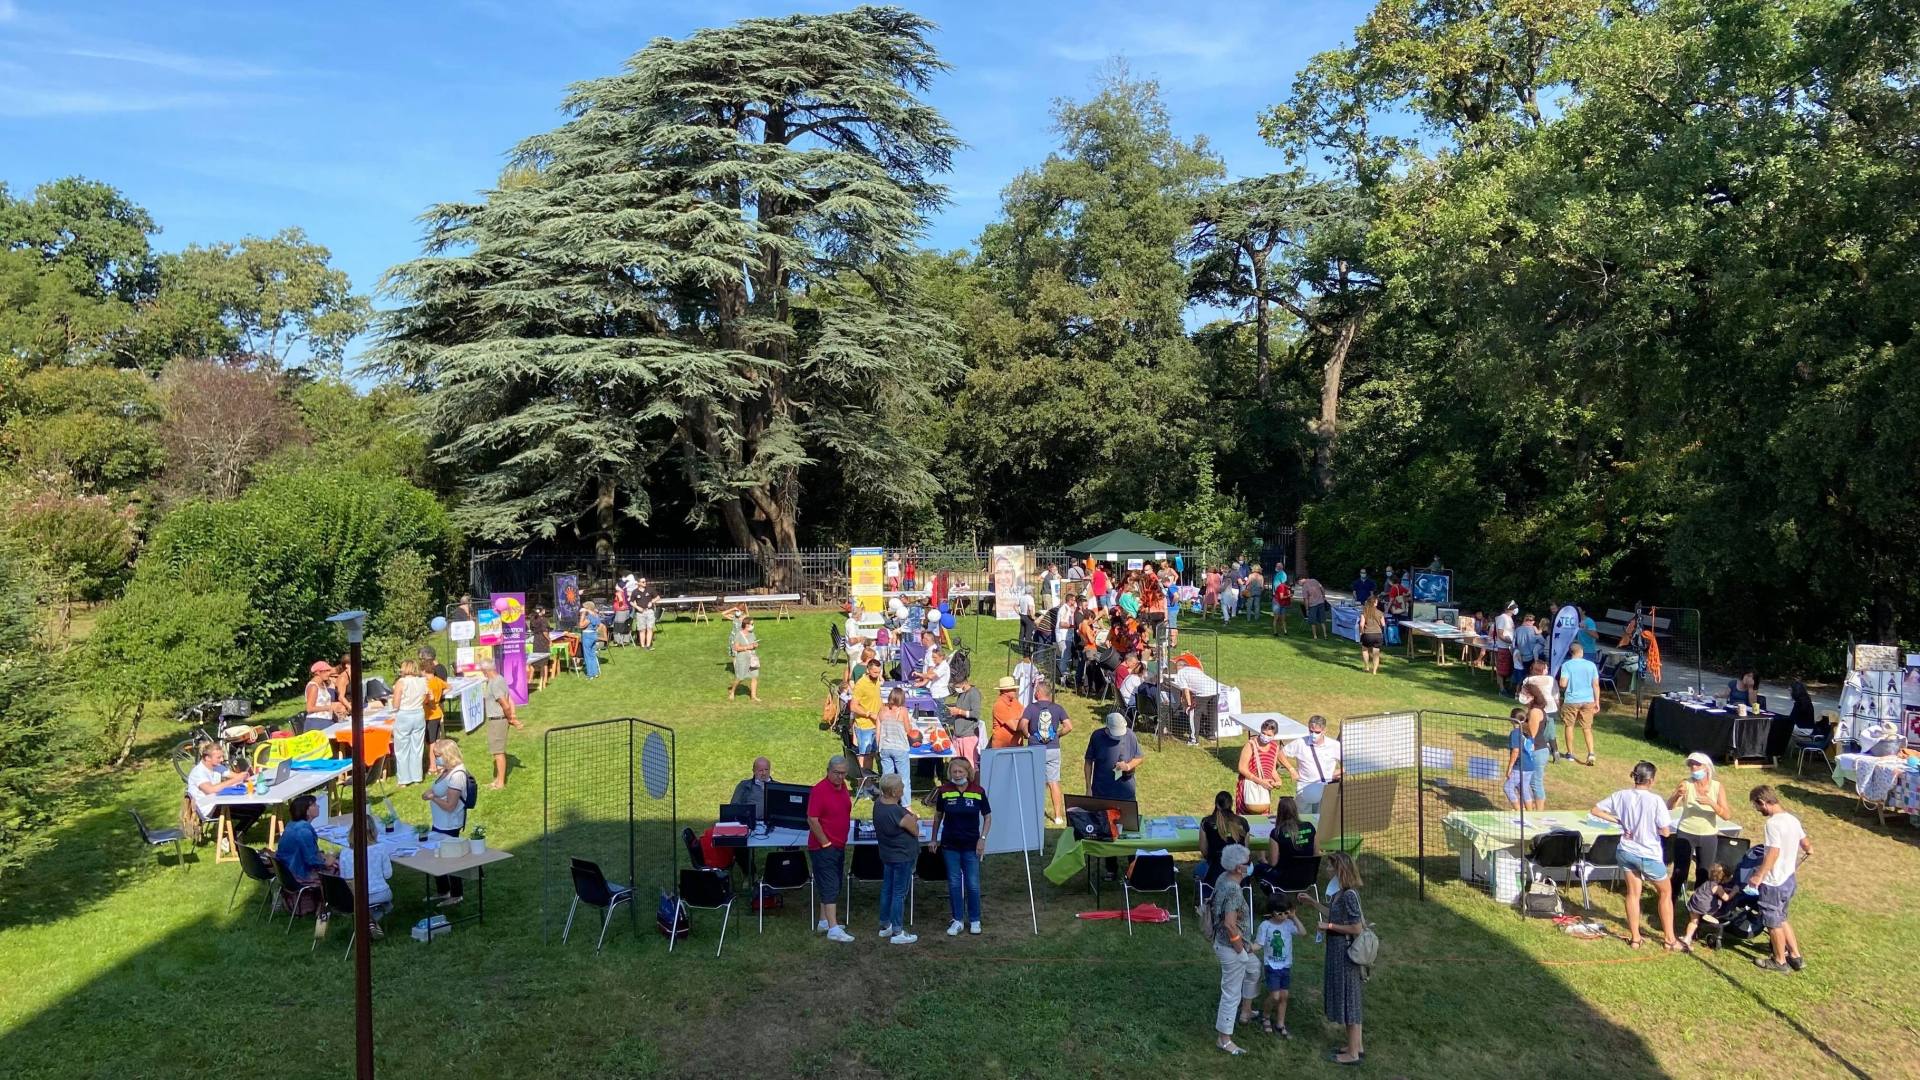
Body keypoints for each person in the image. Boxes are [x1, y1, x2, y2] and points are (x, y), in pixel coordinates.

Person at [1591, 761, 1678, 950]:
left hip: (1626, 851)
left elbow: (1595, 810)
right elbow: (1665, 831)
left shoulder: (1621, 795)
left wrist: (1618, 821)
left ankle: (1635, 938)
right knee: (1665, 893)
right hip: (1648, 854)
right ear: (1651, 780)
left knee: (1633, 894)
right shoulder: (1655, 801)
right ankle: (1670, 940)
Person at [1748, 784, 1811, 973]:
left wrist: (1759, 875)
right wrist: (1808, 850)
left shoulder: (1772, 824)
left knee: (1772, 922)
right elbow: (1806, 844)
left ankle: (1780, 961)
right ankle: (1796, 957)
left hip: (1774, 882)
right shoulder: (1792, 819)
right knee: (1782, 918)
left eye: (1756, 806)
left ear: (1763, 802)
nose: (1757, 810)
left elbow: (1773, 853)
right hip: (1789, 879)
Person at [927, 757, 991, 936]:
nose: (957, 775)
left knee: (972, 884)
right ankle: (957, 920)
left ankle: (975, 919)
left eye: (960, 771)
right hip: (950, 844)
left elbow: (987, 817)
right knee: (954, 883)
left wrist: (983, 838)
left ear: (967, 772)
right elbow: (938, 816)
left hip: (971, 844)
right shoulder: (944, 791)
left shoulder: (978, 791)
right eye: (954, 772)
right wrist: (933, 838)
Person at [1208, 843, 1260, 1055]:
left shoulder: (1223, 877)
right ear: (1239, 868)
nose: (1251, 865)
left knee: (1254, 969)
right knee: (1231, 993)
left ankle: (1246, 1010)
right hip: (1231, 948)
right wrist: (1241, 951)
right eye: (1249, 862)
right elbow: (1230, 924)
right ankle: (1224, 1039)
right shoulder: (1234, 890)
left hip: (1233, 944)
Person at [1319, 849, 1368, 1064]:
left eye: (1330, 866)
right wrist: (1313, 904)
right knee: (1350, 998)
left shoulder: (1349, 895)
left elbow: (1356, 928)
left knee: (1349, 1000)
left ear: (1340, 869)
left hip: (1344, 952)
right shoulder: (1340, 893)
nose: (1327, 869)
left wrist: (1328, 926)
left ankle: (1352, 1055)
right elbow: (1335, 915)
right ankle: (1356, 1045)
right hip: (1337, 950)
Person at [1667, 752, 1734, 891]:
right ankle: (1671, 901)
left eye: (1697, 764)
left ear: (1707, 767)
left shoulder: (1717, 787)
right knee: (1680, 872)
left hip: (1708, 835)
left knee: (1704, 873)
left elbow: (1727, 815)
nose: (1694, 767)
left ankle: (1699, 902)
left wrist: (1711, 803)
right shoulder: (1686, 784)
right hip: (1686, 832)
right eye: (1691, 764)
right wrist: (1677, 795)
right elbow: (1669, 807)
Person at [807, 756, 856, 942]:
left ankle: (824, 921)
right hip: (824, 847)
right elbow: (812, 819)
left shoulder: (842, 787)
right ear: (828, 771)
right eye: (836, 773)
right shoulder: (819, 790)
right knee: (830, 884)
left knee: (833, 881)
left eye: (843, 773)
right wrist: (825, 843)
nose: (840, 777)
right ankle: (833, 928)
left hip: (838, 844)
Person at [871, 773, 920, 945]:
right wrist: (914, 819)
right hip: (902, 856)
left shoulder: (878, 804)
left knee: (888, 889)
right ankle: (898, 931)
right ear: (893, 792)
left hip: (888, 854)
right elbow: (915, 831)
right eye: (901, 786)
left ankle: (886, 925)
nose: (903, 788)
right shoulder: (896, 811)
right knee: (899, 893)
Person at [1254, 891, 1311, 1038]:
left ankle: (1280, 1023)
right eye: (1280, 913)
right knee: (1275, 996)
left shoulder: (1288, 924)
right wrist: (1249, 948)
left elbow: (1303, 932)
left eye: (1287, 913)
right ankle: (1265, 1016)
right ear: (1272, 912)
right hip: (1271, 966)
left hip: (1285, 966)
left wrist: (1294, 917)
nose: (1284, 916)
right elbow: (1259, 944)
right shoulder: (1265, 926)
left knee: (1284, 996)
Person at [186, 744, 259, 849]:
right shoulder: (198, 773)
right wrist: (236, 780)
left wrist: (244, 776)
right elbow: (210, 790)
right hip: (208, 808)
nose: (222, 759)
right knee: (254, 811)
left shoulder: (217, 766)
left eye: (222, 756)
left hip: (220, 801)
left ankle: (235, 835)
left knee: (259, 807)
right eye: (218, 757)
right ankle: (230, 840)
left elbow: (234, 776)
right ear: (207, 758)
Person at [423, 739, 469, 903]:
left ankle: (456, 894)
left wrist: (433, 798)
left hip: (449, 824)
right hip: (439, 823)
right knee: (437, 856)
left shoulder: (457, 776)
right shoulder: (446, 771)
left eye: (438, 755)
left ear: (448, 755)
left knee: (450, 858)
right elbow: (436, 788)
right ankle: (443, 890)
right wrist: (428, 793)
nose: (436, 759)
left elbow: (450, 805)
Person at [1021, 683, 1073, 825]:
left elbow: (1023, 724)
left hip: (1035, 748)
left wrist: (1027, 735)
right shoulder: (1058, 708)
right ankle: (1058, 816)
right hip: (1053, 749)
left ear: (1038, 693)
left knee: (1034, 781)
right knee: (1054, 781)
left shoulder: (1031, 708)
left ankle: (1033, 812)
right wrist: (1057, 735)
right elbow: (1069, 726)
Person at [275, 795, 333, 915]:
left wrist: (322, 856)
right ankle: (328, 906)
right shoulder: (304, 832)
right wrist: (327, 861)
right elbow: (311, 860)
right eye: (314, 805)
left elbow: (307, 852)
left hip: (285, 872)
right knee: (337, 869)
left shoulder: (291, 825)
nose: (318, 806)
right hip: (297, 874)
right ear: (307, 811)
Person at [336, 824, 395, 937]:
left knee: (374, 903)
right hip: (379, 893)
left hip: (354, 895)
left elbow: (344, 877)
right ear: (374, 832)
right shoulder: (381, 848)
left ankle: (369, 921)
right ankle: (370, 922)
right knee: (385, 902)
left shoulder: (344, 852)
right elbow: (388, 875)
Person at [1196, 791, 1250, 907]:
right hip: (1240, 874)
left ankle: (1207, 900)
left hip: (1215, 872)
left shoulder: (1207, 822)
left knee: (1198, 871)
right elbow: (1245, 851)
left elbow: (1204, 851)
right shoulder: (1243, 822)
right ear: (1231, 804)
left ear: (1216, 804)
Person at [1281, 716, 1342, 814]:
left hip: (1325, 789)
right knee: (1304, 820)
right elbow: (1281, 754)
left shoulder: (1334, 745)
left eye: (1317, 732)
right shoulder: (1300, 743)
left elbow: (1350, 763)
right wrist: (1291, 769)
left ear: (1324, 730)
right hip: (1304, 788)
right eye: (1311, 731)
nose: (1313, 734)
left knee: (1322, 819)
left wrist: (1339, 772)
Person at [478, 656, 521, 789]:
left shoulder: (495, 683)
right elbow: (510, 699)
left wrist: (511, 718)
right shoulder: (499, 679)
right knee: (496, 751)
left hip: (498, 720)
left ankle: (500, 783)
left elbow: (505, 704)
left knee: (498, 752)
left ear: (486, 670)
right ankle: (497, 780)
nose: (481, 672)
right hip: (497, 720)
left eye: (481, 670)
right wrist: (512, 717)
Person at [1084, 711, 1144, 801]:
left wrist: (1127, 766)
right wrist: (1088, 788)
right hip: (1101, 793)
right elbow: (1088, 762)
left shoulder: (1130, 735)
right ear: (1107, 727)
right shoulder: (1097, 736)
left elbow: (1139, 757)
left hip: (1125, 794)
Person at [1558, 642, 1602, 766]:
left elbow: (1563, 684)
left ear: (1570, 652)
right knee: (1587, 728)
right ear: (1581, 652)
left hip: (1572, 700)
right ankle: (1591, 753)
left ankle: (1570, 753)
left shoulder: (1566, 665)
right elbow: (1596, 685)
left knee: (1569, 726)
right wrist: (1597, 701)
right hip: (1588, 699)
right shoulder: (1591, 665)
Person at [1678, 862, 1737, 953]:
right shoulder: (1718, 888)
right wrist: (1734, 891)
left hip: (1694, 903)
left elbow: (1712, 891)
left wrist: (1724, 890)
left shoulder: (1707, 883)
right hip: (1704, 907)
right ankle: (1710, 921)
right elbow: (1726, 898)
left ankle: (1687, 937)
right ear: (1724, 878)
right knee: (1718, 905)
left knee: (1693, 922)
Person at [390, 659, 430, 787]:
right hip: (418, 713)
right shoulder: (422, 681)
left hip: (404, 714)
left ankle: (404, 779)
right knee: (417, 747)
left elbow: (396, 703)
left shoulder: (401, 682)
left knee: (402, 748)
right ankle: (417, 777)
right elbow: (426, 698)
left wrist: (393, 707)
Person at [1236, 718, 1285, 815]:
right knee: (1245, 818)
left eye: (1269, 735)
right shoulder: (1251, 744)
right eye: (1263, 733)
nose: (1265, 736)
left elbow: (1272, 770)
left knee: (1263, 818)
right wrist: (1260, 781)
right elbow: (1242, 768)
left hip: (1264, 789)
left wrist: (1278, 781)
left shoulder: (1275, 747)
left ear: (1274, 735)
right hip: (1249, 786)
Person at [1503, 708, 1547, 811]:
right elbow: (1532, 747)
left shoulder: (1515, 733)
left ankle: (1519, 810)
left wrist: (1510, 767)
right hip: (1529, 767)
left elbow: (1516, 751)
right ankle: (1529, 812)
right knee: (1524, 789)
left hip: (1520, 767)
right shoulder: (1528, 731)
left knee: (1508, 788)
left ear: (1511, 719)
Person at [876, 687, 914, 805]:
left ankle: (886, 802)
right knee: (904, 779)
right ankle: (906, 805)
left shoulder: (882, 710)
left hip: (885, 747)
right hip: (900, 748)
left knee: (887, 778)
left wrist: (879, 748)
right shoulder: (903, 711)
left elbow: (878, 732)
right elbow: (908, 730)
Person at [1172, 655, 1220, 745]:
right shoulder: (1195, 669)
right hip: (1216, 689)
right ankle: (1212, 736)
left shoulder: (1181, 673)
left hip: (1204, 692)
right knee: (1212, 713)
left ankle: (1193, 740)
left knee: (1193, 714)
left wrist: (1189, 704)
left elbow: (1186, 690)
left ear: (1178, 666)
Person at [942, 671, 982, 770]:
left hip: (968, 736)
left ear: (963, 683)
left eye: (957, 686)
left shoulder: (974, 694)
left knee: (970, 766)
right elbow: (962, 707)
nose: (956, 688)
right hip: (958, 735)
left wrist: (959, 711)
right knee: (957, 765)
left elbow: (975, 714)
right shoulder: (961, 693)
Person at [1264, 795, 1316, 868]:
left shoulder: (1276, 833)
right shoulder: (1309, 826)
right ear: (1295, 810)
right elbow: (1316, 853)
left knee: (1258, 868)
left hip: (1284, 873)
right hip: (1308, 871)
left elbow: (1273, 863)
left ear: (1280, 812)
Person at [301, 660, 348, 734]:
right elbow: (309, 708)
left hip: (326, 720)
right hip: (316, 723)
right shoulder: (313, 686)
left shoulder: (323, 685)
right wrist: (329, 707)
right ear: (317, 672)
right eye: (326, 671)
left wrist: (337, 706)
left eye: (329, 671)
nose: (329, 673)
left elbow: (322, 703)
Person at [419, 649, 450, 746]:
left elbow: (426, 699)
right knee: (437, 738)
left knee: (431, 741)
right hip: (437, 711)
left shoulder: (427, 684)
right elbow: (449, 686)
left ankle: (432, 756)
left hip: (430, 713)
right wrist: (441, 693)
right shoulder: (437, 679)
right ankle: (439, 753)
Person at [728, 616, 761, 702]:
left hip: (752, 658)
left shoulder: (752, 634)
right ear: (746, 625)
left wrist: (755, 645)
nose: (753, 625)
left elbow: (753, 643)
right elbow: (735, 648)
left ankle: (753, 696)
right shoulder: (739, 635)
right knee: (740, 678)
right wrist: (747, 647)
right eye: (752, 624)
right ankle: (732, 691)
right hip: (742, 659)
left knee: (754, 676)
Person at [988, 676, 1025, 749]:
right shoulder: (999, 705)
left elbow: (1025, 713)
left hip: (1015, 747)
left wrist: (1018, 720)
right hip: (1001, 749)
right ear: (1005, 691)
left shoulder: (1014, 701)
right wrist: (1021, 720)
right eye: (1013, 689)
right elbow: (1014, 726)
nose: (1015, 690)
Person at [1357, 597, 1386, 675]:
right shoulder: (1380, 613)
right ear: (1374, 603)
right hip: (1378, 634)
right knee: (1376, 653)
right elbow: (1383, 624)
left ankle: (1366, 667)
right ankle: (1374, 671)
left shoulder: (1364, 612)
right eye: (1376, 602)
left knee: (1364, 650)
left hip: (1367, 634)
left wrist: (1361, 632)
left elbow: (1361, 624)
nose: (1377, 603)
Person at [633, 575, 660, 650]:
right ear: (638, 583)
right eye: (643, 582)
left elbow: (658, 597)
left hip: (649, 611)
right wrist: (637, 607)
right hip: (640, 613)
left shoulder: (650, 589)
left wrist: (652, 602)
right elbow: (632, 602)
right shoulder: (635, 592)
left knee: (650, 628)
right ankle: (642, 646)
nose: (645, 583)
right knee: (642, 629)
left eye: (645, 581)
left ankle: (648, 645)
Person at [577, 602, 603, 679]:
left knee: (587, 656)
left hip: (587, 636)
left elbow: (581, 625)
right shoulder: (596, 615)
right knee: (593, 655)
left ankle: (590, 674)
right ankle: (595, 673)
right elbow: (599, 624)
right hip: (594, 635)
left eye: (584, 607)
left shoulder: (589, 617)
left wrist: (583, 615)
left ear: (588, 608)